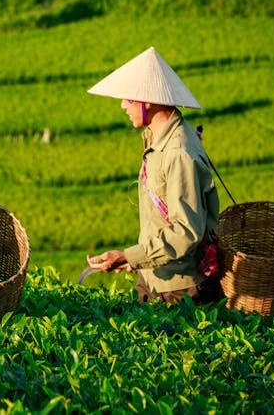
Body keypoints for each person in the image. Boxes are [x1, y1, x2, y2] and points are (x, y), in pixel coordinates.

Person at [86, 47, 222, 305]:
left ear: (147, 100)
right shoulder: (159, 139)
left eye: (128, 98)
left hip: (179, 290)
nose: (123, 105)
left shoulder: (178, 153)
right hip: (154, 276)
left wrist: (130, 256)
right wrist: (137, 260)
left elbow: (185, 233)